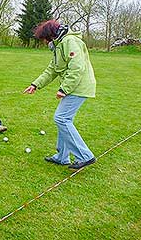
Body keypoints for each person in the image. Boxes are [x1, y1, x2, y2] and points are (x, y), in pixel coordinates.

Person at [23, 19, 96, 170]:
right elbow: (52, 70)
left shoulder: (70, 41)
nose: (43, 42)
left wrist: (64, 89)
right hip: (74, 87)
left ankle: (84, 156)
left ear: (49, 35)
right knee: (64, 119)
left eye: (43, 38)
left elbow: (77, 68)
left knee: (61, 118)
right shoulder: (58, 45)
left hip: (80, 87)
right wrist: (35, 84)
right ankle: (62, 157)